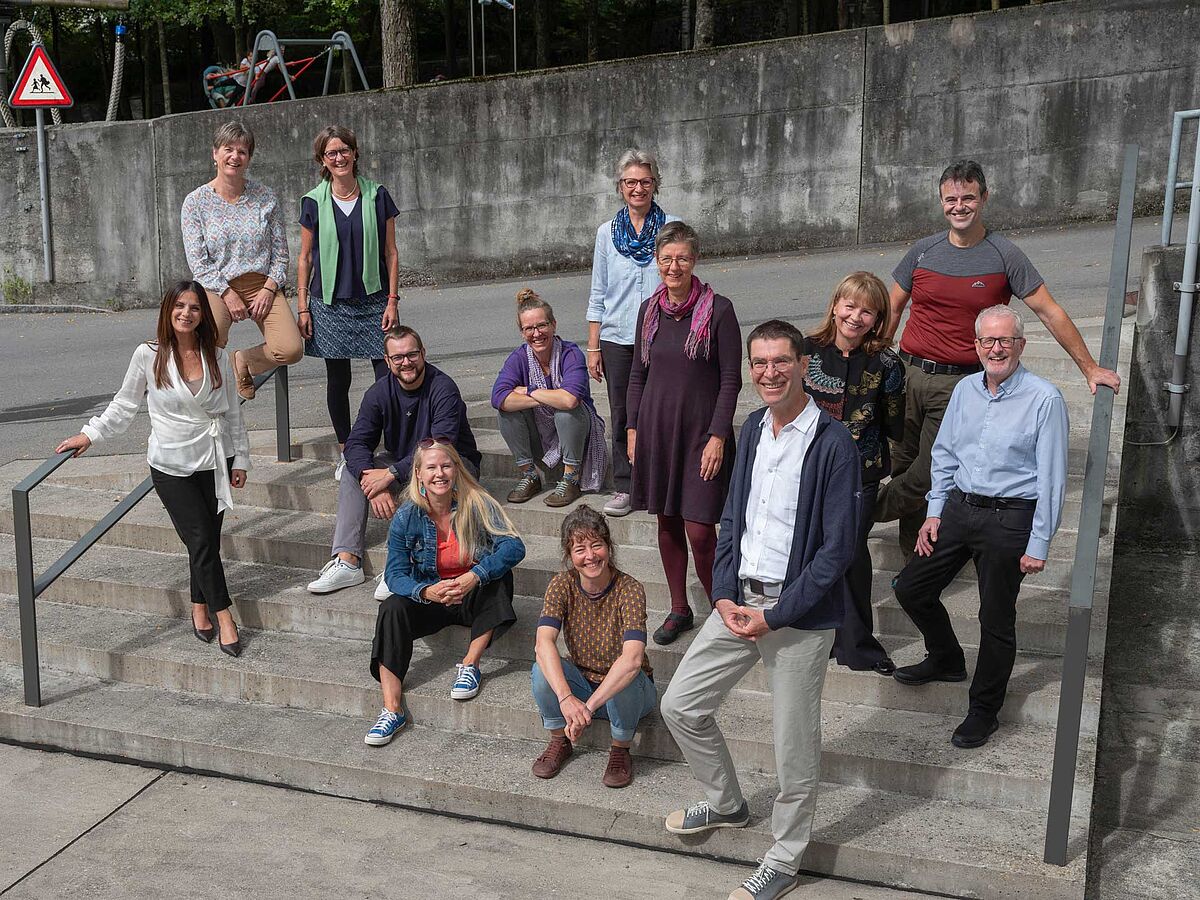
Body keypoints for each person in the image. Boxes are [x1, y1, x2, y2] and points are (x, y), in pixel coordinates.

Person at [659, 320, 860, 900]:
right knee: (681, 705)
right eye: (759, 363)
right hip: (739, 601)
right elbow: (732, 518)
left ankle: (785, 859)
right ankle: (726, 802)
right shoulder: (751, 428)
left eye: (780, 361)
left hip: (798, 615)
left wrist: (777, 615)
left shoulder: (832, 442)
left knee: (792, 752)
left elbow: (836, 550)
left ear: (803, 365)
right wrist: (722, 592)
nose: (769, 372)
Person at [876, 159, 1118, 557]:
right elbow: (893, 307)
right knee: (901, 465)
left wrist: (1089, 367)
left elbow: (1049, 311)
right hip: (906, 373)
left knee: (927, 475)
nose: (959, 206)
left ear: (984, 198)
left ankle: (854, 515)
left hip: (959, 383)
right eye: (951, 199)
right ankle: (915, 557)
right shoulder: (922, 252)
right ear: (941, 202)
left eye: (968, 197)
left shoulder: (1004, 254)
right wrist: (875, 361)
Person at [892, 305, 1068, 750]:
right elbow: (945, 454)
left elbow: (1052, 478)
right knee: (911, 587)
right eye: (987, 340)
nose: (995, 348)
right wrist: (933, 513)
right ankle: (947, 657)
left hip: (1010, 518)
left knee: (995, 617)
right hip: (958, 509)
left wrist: (1040, 542)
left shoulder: (1044, 399)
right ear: (976, 346)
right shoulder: (966, 389)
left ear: (1021, 345)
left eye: (1004, 340)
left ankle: (983, 710)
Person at [55, 281, 250, 658]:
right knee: (202, 540)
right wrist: (89, 434)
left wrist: (240, 458)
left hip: (214, 458)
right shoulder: (149, 355)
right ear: (167, 311)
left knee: (205, 539)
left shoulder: (218, 355)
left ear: (203, 315)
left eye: (194, 308)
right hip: (170, 465)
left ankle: (198, 606)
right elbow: (124, 405)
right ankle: (225, 615)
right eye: (180, 306)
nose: (186, 314)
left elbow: (232, 413)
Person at [364, 440, 525, 745]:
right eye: (432, 467)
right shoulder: (406, 516)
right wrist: (426, 591)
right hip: (433, 597)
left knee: (499, 579)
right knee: (391, 608)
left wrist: (474, 576)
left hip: (471, 595)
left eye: (446, 465)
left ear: (455, 469)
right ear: (419, 474)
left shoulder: (477, 502)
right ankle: (391, 709)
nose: (440, 473)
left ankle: (470, 665)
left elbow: (514, 546)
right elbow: (395, 574)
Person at [626, 221, 742, 645]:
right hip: (657, 431)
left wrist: (718, 437)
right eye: (666, 258)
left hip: (700, 434)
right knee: (667, 522)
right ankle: (679, 608)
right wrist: (632, 428)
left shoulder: (720, 310)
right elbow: (637, 375)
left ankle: (721, 607)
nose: (673, 266)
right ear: (657, 262)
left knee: (699, 529)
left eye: (682, 258)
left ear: (695, 260)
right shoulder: (649, 310)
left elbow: (731, 379)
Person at [306, 326, 481, 597]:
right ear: (387, 361)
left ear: (423, 354)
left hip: (453, 465)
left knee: (431, 473)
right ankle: (348, 561)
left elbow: (441, 443)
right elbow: (356, 443)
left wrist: (389, 475)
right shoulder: (378, 392)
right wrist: (369, 479)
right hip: (404, 462)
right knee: (353, 472)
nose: (406, 362)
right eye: (397, 358)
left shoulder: (443, 387)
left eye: (412, 355)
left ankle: (400, 568)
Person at [803, 272, 905, 675]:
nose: (856, 316)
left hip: (861, 473)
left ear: (878, 318)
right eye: (850, 305)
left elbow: (894, 422)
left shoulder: (886, 363)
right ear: (834, 305)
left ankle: (858, 644)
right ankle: (818, 633)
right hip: (809, 468)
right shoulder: (805, 351)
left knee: (850, 552)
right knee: (811, 548)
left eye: (868, 310)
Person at [297, 125, 401, 484]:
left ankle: (389, 446)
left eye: (344, 150)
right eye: (331, 153)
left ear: (355, 153)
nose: (338, 157)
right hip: (329, 303)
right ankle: (348, 451)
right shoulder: (313, 200)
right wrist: (303, 305)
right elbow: (305, 257)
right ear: (322, 161)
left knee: (387, 376)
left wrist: (392, 299)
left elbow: (390, 252)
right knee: (337, 379)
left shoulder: (377, 195)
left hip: (375, 301)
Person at [530, 505, 657, 789]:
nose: (590, 556)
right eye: (580, 549)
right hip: (582, 684)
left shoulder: (630, 589)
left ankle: (621, 748)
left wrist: (585, 708)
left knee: (626, 673)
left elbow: (633, 659)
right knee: (542, 667)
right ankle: (559, 741)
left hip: (630, 692)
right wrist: (566, 698)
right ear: (569, 555)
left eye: (596, 545)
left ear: (609, 546)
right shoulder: (561, 585)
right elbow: (543, 643)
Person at [586, 149, 679, 518]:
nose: (637, 188)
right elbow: (598, 292)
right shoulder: (606, 234)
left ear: (655, 184)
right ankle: (625, 485)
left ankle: (661, 480)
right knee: (623, 411)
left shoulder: (673, 226)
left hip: (664, 333)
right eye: (630, 182)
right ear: (620, 187)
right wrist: (593, 346)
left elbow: (682, 278)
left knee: (664, 408)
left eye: (645, 181)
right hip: (617, 336)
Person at [180, 121, 302, 400]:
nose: (235, 156)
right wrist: (227, 294)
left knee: (290, 348)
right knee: (208, 345)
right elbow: (198, 261)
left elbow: (281, 253)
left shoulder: (265, 197)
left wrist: (270, 288)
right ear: (215, 154)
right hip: (218, 287)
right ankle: (208, 404)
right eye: (228, 149)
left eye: (242, 151)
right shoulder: (195, 202)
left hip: (263, 283)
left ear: (249, 158)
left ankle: (244, 361)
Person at [492, 288, 608, 508]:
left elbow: (570, 400)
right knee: (506, 412)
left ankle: (571, 478)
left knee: (566, 412)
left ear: (554, 324)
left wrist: (529, 390)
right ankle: (530, 475)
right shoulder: (519, 358)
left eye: (542, 325)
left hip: (577, 434)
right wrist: (549, 398)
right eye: (529, 328)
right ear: (522, 332)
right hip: (541, 435)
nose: (536, 334)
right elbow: (499, 397)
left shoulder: (570, 354)